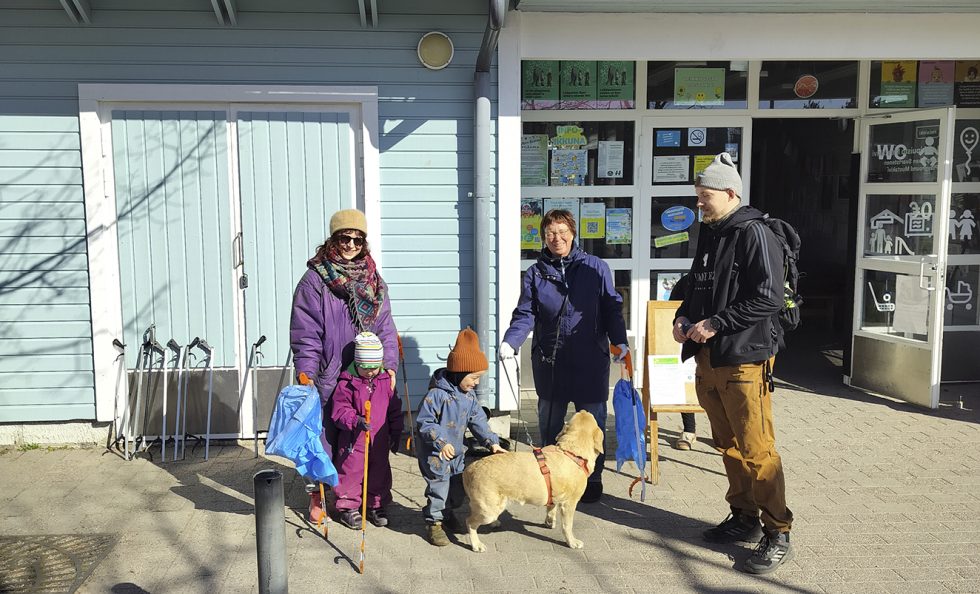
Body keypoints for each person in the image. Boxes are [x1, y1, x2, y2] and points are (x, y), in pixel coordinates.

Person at [672, 153, 794, 574]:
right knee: (727, 446)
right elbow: (696, 287)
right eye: (697, 196)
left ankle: (777, 530)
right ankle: (743, 518)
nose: (699, 204)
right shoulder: (711, 233)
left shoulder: (754, 232)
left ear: (730, 194)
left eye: (704, 197)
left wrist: (716, 323)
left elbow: (768, 297)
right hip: (710, 358)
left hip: (744, 358)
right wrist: (683, 317)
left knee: (757, 449)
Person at [500, 208, 628, 503]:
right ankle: (550, 479)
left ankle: (592, 479)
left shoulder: (595, 267)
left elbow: (611, 308)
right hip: (551, 362)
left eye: (561, 232)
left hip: (590, 361)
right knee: (550, 428)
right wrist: (511, 341)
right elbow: (525, 313)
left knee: (593, 428)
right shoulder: (535, 273)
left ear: (572, 233)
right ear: (543, 237)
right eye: (550, 234)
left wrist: (620, 342)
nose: (556, 238)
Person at [290, 208, 399, 523]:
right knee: (324, 440)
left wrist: (388, 366)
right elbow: (306, 331)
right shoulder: (315, 281)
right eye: (344, 238)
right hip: (329, 373)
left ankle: (362, 497)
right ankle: (321, 495)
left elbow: (386, 329)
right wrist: (306, 371)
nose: (351, 245)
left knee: (360, 444)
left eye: (357, 239)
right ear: (333, 239)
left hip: (366, 377)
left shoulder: (374, 281)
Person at [415, 327, 506, 546]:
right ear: (459, 372)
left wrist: (492, 443)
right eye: (474, 377)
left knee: (457, 490)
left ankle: (447, 513)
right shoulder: (436, 395)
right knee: (439, 488)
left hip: (457, 452)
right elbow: (424, 423)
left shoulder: (469, 396)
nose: (476, 382)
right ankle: (434, 522)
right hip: (436, 454)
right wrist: (441, 442)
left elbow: (478, 422)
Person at [330, 332, 403, 529]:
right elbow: (340, 410)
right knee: (351, 471)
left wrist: (396, 432)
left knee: (379, 470)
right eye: (366, 368)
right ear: (357, 364)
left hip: (379, 438)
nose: (371, 372)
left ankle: (375, 503)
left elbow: (394, 409)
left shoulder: (385, 382)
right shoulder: (347, 384)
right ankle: (348, 505)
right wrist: (355, 420)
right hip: (355, 439)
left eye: (375, 367)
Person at [667, 273, 697, 451]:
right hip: (688, 340)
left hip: (723, 343)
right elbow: (671, 309)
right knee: (686, 382)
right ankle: (689, 430)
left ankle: (725, 435)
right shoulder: (689, 280)